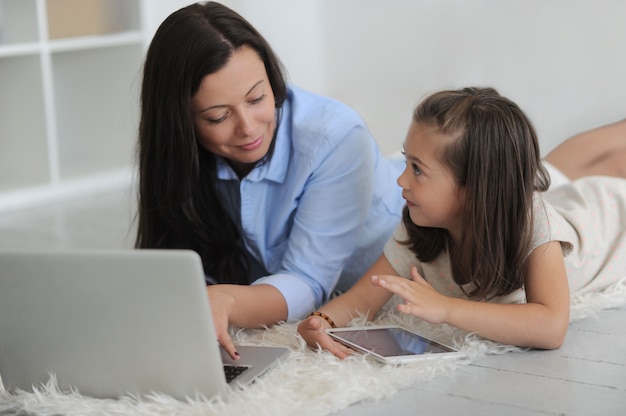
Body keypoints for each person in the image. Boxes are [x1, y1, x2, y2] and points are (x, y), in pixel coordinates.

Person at [135, 1, 404, 360]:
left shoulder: (336, 136)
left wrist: (227, 299)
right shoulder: (182, 157)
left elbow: (308, 282)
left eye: (258, 98)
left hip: (387, 279)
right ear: (179, 122)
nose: (248, 128)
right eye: (217, 117)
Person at [297, 87, 626, 356]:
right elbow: (361, 300)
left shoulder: (533, 225)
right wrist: (320, 321)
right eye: (406, 162)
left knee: (612, 163)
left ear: (473, 188)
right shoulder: (421, 226)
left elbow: (551, 327)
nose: (401, 180)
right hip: (566, 200)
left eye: (417, 169)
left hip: (610, 217)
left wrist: (445, 308)